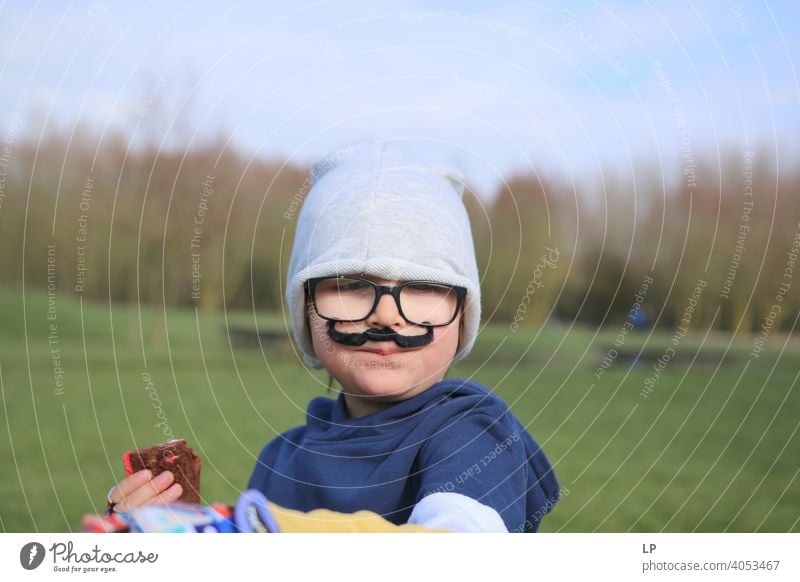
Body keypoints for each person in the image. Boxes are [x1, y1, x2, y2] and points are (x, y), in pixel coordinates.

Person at [107, 140, 560, 532]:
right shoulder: (279, 458)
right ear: (304, 310)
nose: (386, 315)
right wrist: (173, 534)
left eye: (423, 286)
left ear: (463, 313)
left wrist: (268, 533)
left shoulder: (472, 430)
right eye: (349, 285)